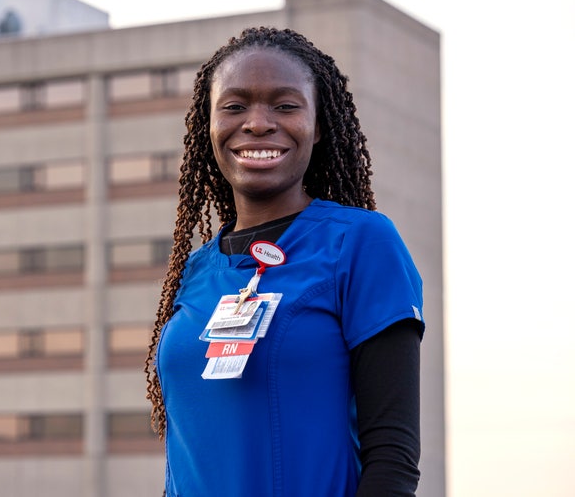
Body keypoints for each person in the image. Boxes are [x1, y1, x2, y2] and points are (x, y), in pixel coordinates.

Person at [144, 26, 424, 496]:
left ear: (318, 128)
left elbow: (393, 455)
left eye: (285, 105)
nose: (257, 123)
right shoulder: (195, 272)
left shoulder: (361, 243)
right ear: (207, 128)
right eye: (233, 106)